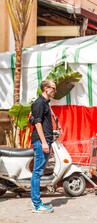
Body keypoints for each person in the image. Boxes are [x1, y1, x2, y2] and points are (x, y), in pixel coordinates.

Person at [30, 80, 57, 213]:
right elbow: (37, 124)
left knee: (38, 171)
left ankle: (38, 203)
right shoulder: (39, 103)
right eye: (53, 88)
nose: (55, 91)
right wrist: (44, 142)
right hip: (41, 141)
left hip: (46, 140)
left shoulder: (45, 103)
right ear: (46, 88)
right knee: (37, 172)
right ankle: (37, 204)